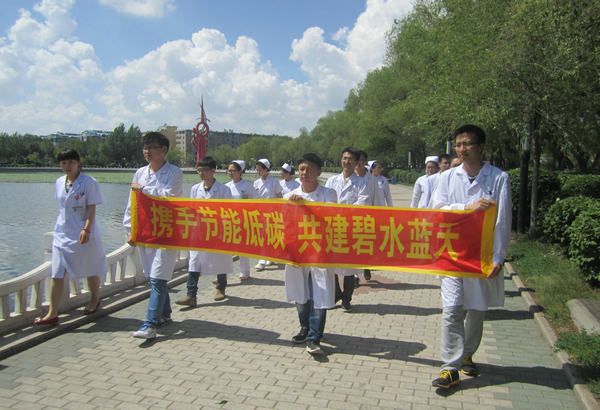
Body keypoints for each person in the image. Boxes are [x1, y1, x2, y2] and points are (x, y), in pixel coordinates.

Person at [430, 124, 512, 388]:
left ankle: (467, 354)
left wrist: (499, 256)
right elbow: (438, 209)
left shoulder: (498, 178)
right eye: (458, 145)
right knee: (452, 309)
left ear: (481, 147)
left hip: (481, 255)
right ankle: (449, 367)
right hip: (452, 253)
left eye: (467, 144)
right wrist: (467, 208)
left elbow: (503, 220)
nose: (462, 149)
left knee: (476, 309)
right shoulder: (447, 177)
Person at [34, 148, 107, 325]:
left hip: (83, 232)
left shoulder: (88, 182)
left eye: (71, 162)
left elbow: (91, 209)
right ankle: (52, 313)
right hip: (62, 233)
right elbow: (63, 208)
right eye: (64, 163)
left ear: (78, 163)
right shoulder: (59, 182)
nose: (68, 166)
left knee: (90, 267)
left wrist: (86, 229)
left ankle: (94, 300)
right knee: (57, 272)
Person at [124, 131, 184, 339]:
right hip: (146, 232)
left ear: (164, 150)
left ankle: (150, 325)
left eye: (151, 147)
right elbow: (132, 203)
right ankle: (165, 314)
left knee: (158, 277)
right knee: (154, 276)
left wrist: (144, 193)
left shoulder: (175, 173)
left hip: (166, 232)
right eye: (145, 147)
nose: (147, 151)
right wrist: (130, 229)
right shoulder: (140, 173)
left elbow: (169, 197)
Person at [284, 153, 337, 355]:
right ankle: (304, 328)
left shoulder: (328, 194)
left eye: (309, 169)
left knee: (319, 294)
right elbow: (283, 225)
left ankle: (315, 336)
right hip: (298, 252)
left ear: (319, 172)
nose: (304, 173)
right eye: (301, 169)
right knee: (300, 293)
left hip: (319, 252)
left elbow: (329, 218)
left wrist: (303, 206)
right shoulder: (289, 196)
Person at [176, 156, 233, 306]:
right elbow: (192, 209)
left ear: (213, 171)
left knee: (220, 259)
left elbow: (228, 212)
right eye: (199, 170)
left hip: (217, 230)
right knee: (194, 261)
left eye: (205, 170)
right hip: (199, 231)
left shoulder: (224, 190)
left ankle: (220, 287)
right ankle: (191, 295)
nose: (201, 173)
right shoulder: (195, 189)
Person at [325, 147, 369, 311]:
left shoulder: (361, 183)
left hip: (351, 228)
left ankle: (347, 298)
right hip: (333, 228)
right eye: (344, 158)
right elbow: (326, 201)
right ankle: (336, 293)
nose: (347, 162)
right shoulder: (332, 181)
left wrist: (342, 212)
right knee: (333, 264)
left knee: (350, 266)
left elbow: (362, 204)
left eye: (350, 159)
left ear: (356, 163)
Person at [225, 160, 259, 281]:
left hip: (243, 221)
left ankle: (245, 272)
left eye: (233, 170)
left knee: (242, 249)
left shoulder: (247, 186)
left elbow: (255, 202)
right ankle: (223, 275)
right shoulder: (226, 186)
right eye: (229, 170)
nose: (230, 173)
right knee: (226, 249)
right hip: (229, 221)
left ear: (240, 171)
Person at [354, 150, 384, 283]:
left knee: (364, 245)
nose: (358, 163)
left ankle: (365, 265)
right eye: (356, 160)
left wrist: (379, 217)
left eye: (361, 160)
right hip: (351, 219)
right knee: (353, 247)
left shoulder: (372, 179)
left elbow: (377, 199)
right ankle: (355, 275)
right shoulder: (350, 178)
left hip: (367, 219)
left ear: (365, 162)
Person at [254, 158, 283, 271]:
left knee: (271, 236)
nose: (258, 172)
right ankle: (261, 261)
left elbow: (280, 197)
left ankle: (271, 256)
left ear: (266, 169)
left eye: (260, 169)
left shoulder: (274, 181)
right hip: (260, 213)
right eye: (257, 170)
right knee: (262, 237)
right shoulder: (256, 182)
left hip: (272, 213)